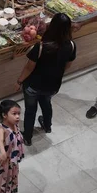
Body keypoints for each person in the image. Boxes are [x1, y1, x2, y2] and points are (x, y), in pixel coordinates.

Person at [14, 13, 76, 145]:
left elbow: (29, 68)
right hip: (53, 85)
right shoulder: (71, 45)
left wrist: (19, 81)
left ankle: (28, 136)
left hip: (33, 85)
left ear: (52, 26)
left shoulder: (41, 46)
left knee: (30, 110)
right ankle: (47, 125)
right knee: (46, 103)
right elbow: (67, 66)